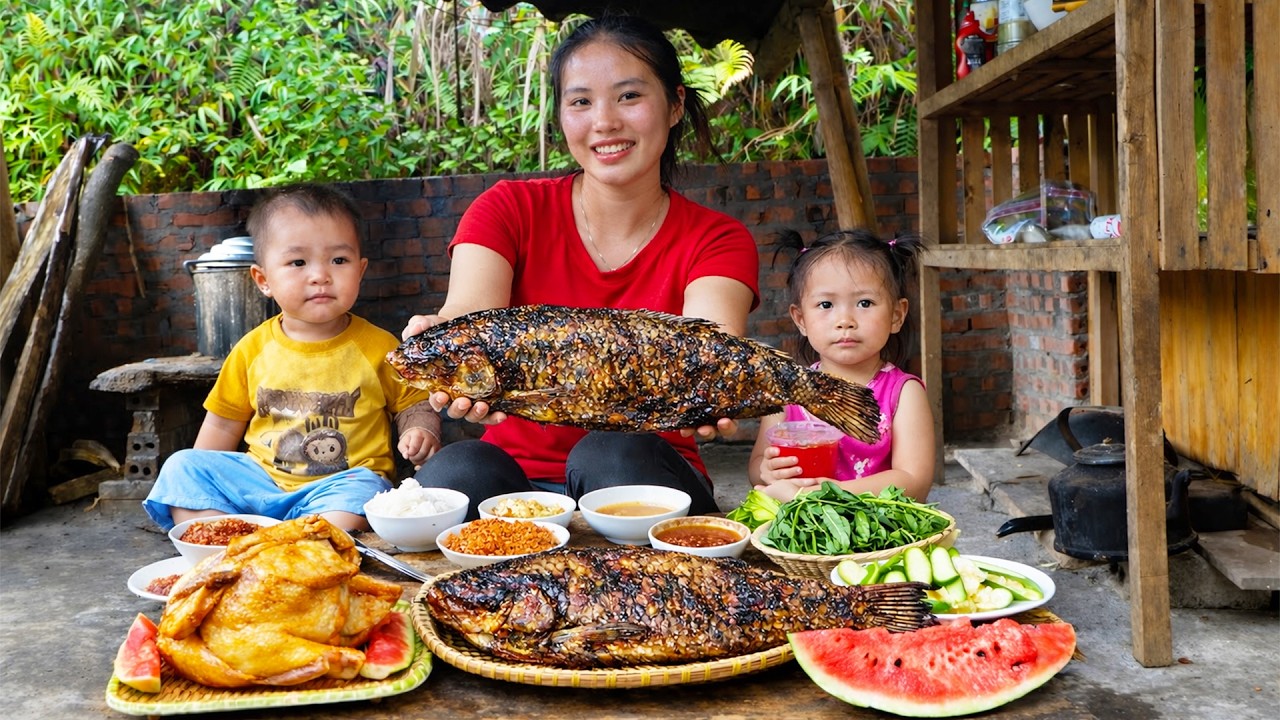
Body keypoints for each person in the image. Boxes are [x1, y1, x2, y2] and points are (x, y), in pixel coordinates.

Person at [402, 14, 760, 519]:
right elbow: (470, 317)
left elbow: (705, 350)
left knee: (610, 451)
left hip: (644, 474)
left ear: (676, 104)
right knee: (452, 475)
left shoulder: (717, 239)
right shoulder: (507, 209)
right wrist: (446, 339)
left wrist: (713, 395)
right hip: (520, 479)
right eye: (581, 101)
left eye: (629, 96)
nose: (604, 121)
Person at [143, 184, 441, 532]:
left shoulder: (377, 346)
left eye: (338, 260)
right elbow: (222, 425)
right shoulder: (252, 349)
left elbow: (414, 401)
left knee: (367, 492)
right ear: (263, 279)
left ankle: (285, 539)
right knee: (184, 467)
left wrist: (420, 429)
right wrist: (207, 480)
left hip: (338, 489)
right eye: (298, 262)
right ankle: (227, 536)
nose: (320, 275)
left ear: (359, 272)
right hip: (259, 485)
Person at [748, 229, 934, 503]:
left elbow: (913, 481)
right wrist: (768, 471)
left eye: (864, 303)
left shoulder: (902, 393)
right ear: (800, 319)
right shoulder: (787, 393)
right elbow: (756, 468)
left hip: (880, 536)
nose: (845, 320)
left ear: (897, 315)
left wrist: (822, 495)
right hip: (805, 536)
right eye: (826, 304)